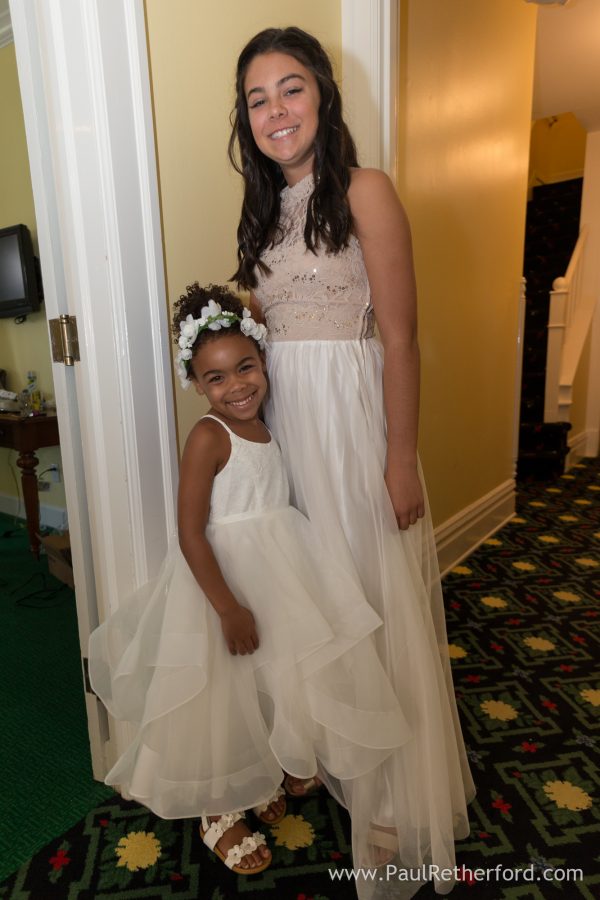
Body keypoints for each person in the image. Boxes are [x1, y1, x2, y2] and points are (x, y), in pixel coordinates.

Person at [229, 26, 476, 896]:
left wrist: (399, 459)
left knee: (371, 601)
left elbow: (402, 337)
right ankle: (343, 760)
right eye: (258, 98)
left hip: (352, 423)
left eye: (290, 89)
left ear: (323, 96)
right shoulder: (259, 210)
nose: (275, 111)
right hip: (290, 424)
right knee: (316, 600)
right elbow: (262, 335)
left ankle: (392, 813)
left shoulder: (366, 189)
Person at [88, 283, 411, 876]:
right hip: (226, 582)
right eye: (216, 378)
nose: (237, 385)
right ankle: (220, 808)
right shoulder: (209, 436)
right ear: (196, 386)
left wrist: (246, 312)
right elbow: (190, 534)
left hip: (282, 567)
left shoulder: (269, 424)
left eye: (246, 367)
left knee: (273, 680)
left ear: (264, 361)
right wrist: (228, 608)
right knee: (222, 696)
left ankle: (264, 766)